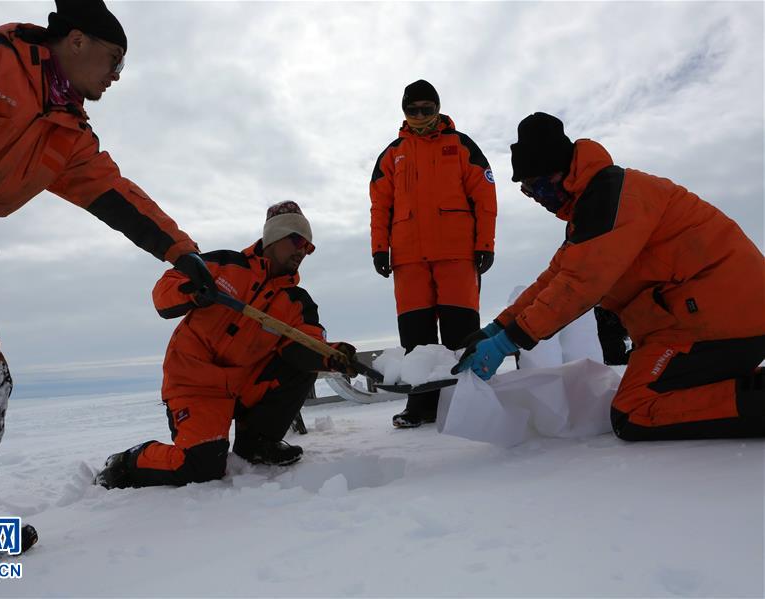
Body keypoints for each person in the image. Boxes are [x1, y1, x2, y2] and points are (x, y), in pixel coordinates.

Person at [0, 0, 216, 561]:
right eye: (113, 58)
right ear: (75, 41)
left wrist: (183, 254)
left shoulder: (68, 132)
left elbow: (115, 194)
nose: (117, 75)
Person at [453, 112, 765, 441]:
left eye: (536, 186)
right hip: (698, 320)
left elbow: (577, 286)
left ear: (557, 172)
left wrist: (507, 342)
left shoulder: (613, 199)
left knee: (635, 409)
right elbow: (554, 278)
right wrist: (496, 328)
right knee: (651, 397)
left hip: (720, 319)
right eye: (527, 192)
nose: (537, 199)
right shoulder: (593, 208)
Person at [95, 202, 357, 488]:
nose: (302, 251)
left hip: (244, 386)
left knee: (301, 365)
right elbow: (163, 293)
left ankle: (257, 444)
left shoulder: (298, 302)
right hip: (195, 383)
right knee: (201, 468)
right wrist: (192, 291)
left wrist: (333, 355)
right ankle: (129, 461)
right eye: (297, 240)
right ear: (274, 237)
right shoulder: (224, 265)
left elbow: (306, 344)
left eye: (308, 247)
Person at [370, 80, 497, 428]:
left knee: (461, 335)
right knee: (416, 340)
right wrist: (379, 247)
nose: (420, 116)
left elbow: (485, 197)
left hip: (457, 254)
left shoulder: (461, 146)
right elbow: (380, 205)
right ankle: (422, 406)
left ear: (439, 109)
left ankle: (466, 403)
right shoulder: (391, 153)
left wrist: (485, 243)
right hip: (408, 259)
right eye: (413, 110)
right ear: (404, 112)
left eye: (428, 109)